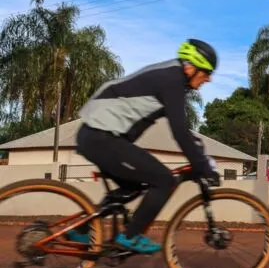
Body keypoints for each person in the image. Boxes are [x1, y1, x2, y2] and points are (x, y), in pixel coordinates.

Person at [67, 39, 221, 254]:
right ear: (191, 67)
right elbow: (180, 132)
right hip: (102, 137)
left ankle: (80, 231)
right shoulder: (172, 80)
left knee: (133, 186)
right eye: (206, 72)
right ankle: (131, 236)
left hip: (95, 135)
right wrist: (202, 166)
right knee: (164, 180)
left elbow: (184, 130)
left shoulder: (170, 76)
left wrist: (200, 157)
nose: (209, 78)